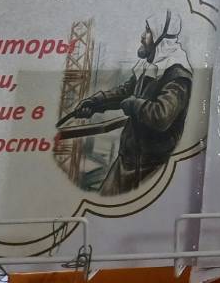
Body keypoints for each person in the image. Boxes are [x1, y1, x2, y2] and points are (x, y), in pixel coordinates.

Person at [66, 10, 193, 196]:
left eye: (148, 31)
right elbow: (125, 91)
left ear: (161, 37)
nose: (142, 36)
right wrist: (95, 103)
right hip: (130, 159)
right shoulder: (150, 65)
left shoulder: (177, 75)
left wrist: (134, 105)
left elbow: (162, 115)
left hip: (152, 168)